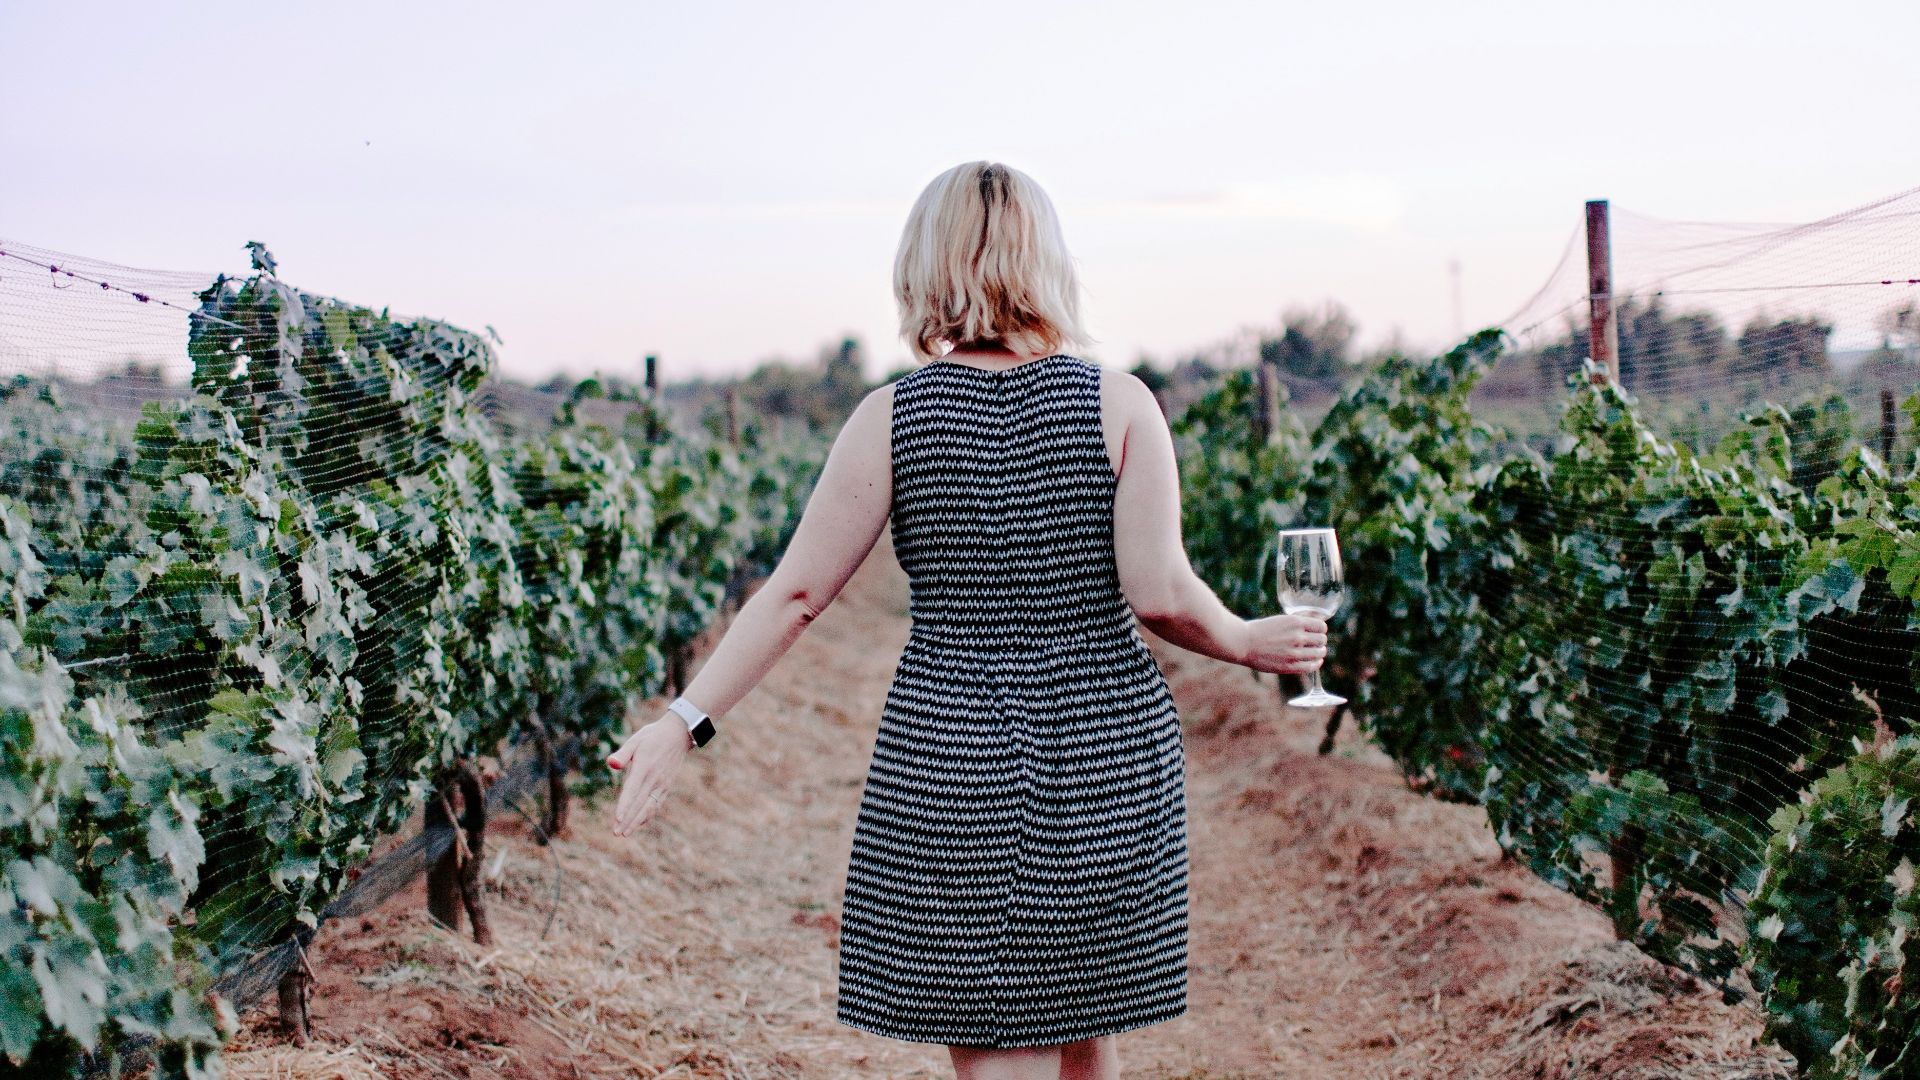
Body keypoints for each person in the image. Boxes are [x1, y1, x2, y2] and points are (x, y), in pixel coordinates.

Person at [605, 160, 1329, 1080]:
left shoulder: (890, 417)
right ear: (1047, 263)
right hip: (1105, 754)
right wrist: (1243, 639)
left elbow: (794, 595)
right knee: (1081, 1026)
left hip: (953, 756)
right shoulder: (1121, 405)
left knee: (1000, 1048)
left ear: (926, 265)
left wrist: (683, 722)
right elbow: (1158, 592)